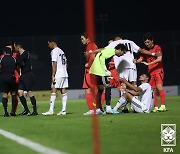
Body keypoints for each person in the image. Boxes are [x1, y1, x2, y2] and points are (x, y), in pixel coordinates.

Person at [106, 36, 157, 113]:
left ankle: (125, 108)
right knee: (134, 84)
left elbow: (103, 50)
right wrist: (153, 53)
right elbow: (141, 50)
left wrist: (93, 52)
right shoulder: (130, 42)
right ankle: (134, 106)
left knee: (123, 84)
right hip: (132, 65)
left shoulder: (114, 43)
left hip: (122, 66)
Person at [89, 44, 127, 114]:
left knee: (100, 89)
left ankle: (98, 109)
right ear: (119, 50)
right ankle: (108, 108)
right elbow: (101, 57)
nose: (123, 54)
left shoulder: (108, 50)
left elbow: (100, 54)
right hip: (99, 72)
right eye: (123, 52)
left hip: (94, 71)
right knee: (108, 86)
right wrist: (105, 69)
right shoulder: (112, 51)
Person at [134, 32, 166, 112]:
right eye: (145, 42)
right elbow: (141, 59)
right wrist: (136, 61)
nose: (147, 44)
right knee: (152, 90)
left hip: (158, 70)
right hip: (151, 72)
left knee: (159, 87)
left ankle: (163, 106)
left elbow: (159, 59)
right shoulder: (144, 50)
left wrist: (149, 63)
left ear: (152, 41)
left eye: (148, 42)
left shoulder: (157, 47)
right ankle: (155, 107)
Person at [42, 37, 68, 116]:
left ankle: (51, 110)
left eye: (48, 43)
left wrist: (53, 75)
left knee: (53, 90)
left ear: (52, 42)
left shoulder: (54, 51)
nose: (48, 45)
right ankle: (63, 111)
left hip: (58, 74)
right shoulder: (61, 51)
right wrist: (64, 70)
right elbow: (66, 63)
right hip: (64, 73)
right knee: (63, 91)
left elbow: (54, 64)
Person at [14, 42, 38, 116]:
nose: (14, 49)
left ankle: (35, 111)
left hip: (27, 75)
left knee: (29, 92)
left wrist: (13, 61)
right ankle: (27, 110)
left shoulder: (25, 53)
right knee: (20, 92)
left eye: (15, 47)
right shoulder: (20, 55)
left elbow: (18, 62)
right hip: (23, 76)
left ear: (18, 47)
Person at [80, 33, 99, 115]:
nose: (81, 41)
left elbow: (93, 56)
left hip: (90, 70)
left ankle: (95, 109)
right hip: (92, 69)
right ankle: (94, 109)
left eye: (82, 38)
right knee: (89, 88)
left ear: (87, 38)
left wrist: (89, 64)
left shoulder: (90, 45)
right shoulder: (91, 45)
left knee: (91, 89)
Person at [0, 47, 17, 117]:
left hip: (3, 77)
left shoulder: (2, 59)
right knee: (13, 93)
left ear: (5, 52)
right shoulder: (14, 59)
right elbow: (16, 67)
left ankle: (6, 112)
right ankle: (13, 111)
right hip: (11, 77)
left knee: (4, 94)